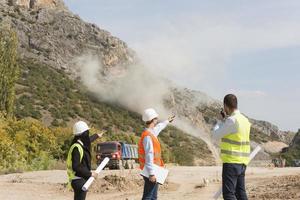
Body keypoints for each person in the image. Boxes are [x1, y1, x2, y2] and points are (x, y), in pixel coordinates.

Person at [213, 94, 251, 200]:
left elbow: (215, 135)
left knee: (229, 194)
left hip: (231, 162)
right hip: (242, 162)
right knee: (240, 193)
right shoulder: (245, 120)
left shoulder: (232, 120)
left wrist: (219, 121)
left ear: (225, 106)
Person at [138, 108, 175, 200]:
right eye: (156, 118)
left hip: (155, 169)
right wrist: (151, 174)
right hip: (151, 171)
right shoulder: (148, 136)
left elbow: (159, 127)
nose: (157, 120)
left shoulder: (151, 133)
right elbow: (149, 155)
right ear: (152, 120)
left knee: (153, 197)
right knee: (148, 197)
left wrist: (167, 121)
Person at [66, 121, 103, 200]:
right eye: (87, 132)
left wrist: (97, 136)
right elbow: (76, 166)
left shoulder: (80, 143)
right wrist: (90, 174)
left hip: (79, 180)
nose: (88, 134)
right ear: (83, 134)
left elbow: (88, 140)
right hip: (78, 181)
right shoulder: (77, 147)